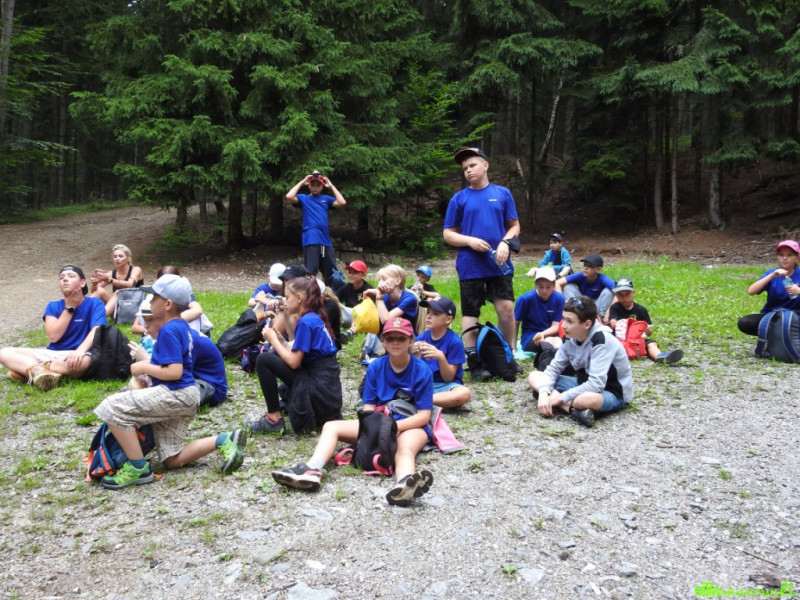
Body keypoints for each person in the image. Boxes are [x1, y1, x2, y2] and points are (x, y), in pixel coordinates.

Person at [93, 274, 246, 490]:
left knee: (110, 407)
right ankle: (223, 440)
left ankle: (138, 468)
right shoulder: (181, 326)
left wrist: (143, 367)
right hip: (187, 397)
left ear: (167, 304)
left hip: (175, 393)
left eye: (154, 297)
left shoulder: (168, 330)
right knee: (172, 459)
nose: (150, 301)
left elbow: (174, 372)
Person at [271, 317, 434, 507]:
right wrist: (374, 429)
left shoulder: (422, 370)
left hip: (411, 424)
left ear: (411, 341)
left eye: (401, 338)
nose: (395, 342)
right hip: (382, 421)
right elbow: (368, 408)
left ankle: (405, 483)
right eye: (390, 338)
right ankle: (312, 468)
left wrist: (394, 427)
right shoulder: (376, 367)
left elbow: (424, 416)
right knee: (331, 427)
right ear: (383, 340)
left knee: (404, 450)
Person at [443, 147, 521, 356]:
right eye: (464, 168)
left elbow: (514, 225)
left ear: (485, 165)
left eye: (472, 165)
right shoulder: (459, 198)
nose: (468, 170)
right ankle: (472, 356)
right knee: (471, 312)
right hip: (470, 264)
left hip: (499, 262)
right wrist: (469, 241)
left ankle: (507, 354)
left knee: (506, 309)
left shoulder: (502, 194)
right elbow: (448, 234)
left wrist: (505, 242)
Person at [248, 275, 342, 435]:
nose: (284, 301)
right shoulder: (313, 318)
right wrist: (280, 340)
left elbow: (293, 362)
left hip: (318, 391)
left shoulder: (306, 322)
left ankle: (273, 420)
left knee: (264, 359)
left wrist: (273, 340)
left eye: (287, 297)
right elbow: (298, 350)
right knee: (273, 357)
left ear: (299, 298)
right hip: (327, 394)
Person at [528, 296, 633, 428]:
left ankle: (560, 401)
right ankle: (573, 411)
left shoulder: (601, 340)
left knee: (581, 400)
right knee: (535, 376)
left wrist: (560, 397)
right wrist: (544, 394)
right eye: (563, 319)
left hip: (612, 392)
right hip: (583, 382)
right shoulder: (569, 337)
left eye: (570, 321)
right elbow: (554, 369)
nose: (563, 325)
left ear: (587, 324)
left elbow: (596, 384)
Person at [1, 265, 107, 390]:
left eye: (71, 276)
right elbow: (54, 337)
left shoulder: (94, 303)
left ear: (82, 282)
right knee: (4, 353)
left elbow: (97, 330)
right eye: (61, 278)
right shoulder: (53, 306)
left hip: (81, 354)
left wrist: (80, 351)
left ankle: (29, 370)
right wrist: (69, 308)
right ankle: (42, 372)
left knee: (83, 364)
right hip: (53, 354)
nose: (65, 279)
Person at [607, 277, 684, 364]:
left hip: (637, 340)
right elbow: (613, 323)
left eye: (627, 294)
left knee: (651, 343)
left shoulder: (641, 309)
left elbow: (649, 331)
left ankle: (660, 356)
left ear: (633, 292)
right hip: (620, 339)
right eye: (620, 294)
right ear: (616, 295)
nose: (624, 297)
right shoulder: (615, 307)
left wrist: (647, 331)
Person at [286, 170, 346, 279]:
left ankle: (328, 289)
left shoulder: (326, 199)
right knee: (311, 271)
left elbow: (342, 202)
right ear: (309, 186)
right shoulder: (304, 198)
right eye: (313, 185)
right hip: (311, 238)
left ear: (322, 187)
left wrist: (331, 186)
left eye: (318, 185)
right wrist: (302, 182)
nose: (315, 187)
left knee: (330, 272)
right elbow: (289, 197)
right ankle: (311, 289)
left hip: (325, 240)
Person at [414, 297, 471, 409]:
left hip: (445, 386)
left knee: (464, 394)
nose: (429, 316)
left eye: (435, 314)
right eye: (428, 312)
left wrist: (441, 357)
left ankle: (418, 400)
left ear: (448, 319)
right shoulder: (421, 339)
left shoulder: (454, 342)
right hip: (424, 383)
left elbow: (448, 378)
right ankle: (424, 401)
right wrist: (414, 354)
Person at [737, 239, 800, 336]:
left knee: (790, 324)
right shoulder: (771, 273)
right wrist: (772, 276)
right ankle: (779, 335)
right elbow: (751, 291)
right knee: (744, 322)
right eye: (781, 255)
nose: (784, 258)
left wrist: (798, 291)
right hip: (773, 316)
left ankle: (784, 334)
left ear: (797, 257)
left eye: (789, 255)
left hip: (796, 317)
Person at [131, 266, 209, 335]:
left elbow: (198, 310)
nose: (150, 301)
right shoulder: (148, 301)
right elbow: (135, 327)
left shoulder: (185, 299)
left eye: (154, 298)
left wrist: (168, 322)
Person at [514, 267, 565, 354]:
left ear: (554, 285)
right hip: (531, 336)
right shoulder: (525, 299)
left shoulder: (559, 299)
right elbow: (515, 323)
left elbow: (556, 326)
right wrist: (513, 347)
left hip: (552, 335)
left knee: (558, 342)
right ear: (535, 285)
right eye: (541, 287)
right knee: (551, 343)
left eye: (548, 287)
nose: (544, 291)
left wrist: (542, 334)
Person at [555, 254, 615, 322]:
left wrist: (608, 312)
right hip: (581, 305)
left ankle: (601, 319)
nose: (585, 268)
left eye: (590, 266)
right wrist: (563, 300)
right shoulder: (580, 275)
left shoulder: (603, 278)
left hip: (597, 306)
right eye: (585, 265)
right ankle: (573, 313)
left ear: (598, 269)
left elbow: (618, 292)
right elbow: (557, 283)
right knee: (568, 287)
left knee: (609, 291)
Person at [90, 244, 145, 316]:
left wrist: (111, 280)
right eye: (115, 257)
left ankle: (99, 317)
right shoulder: (111, 274)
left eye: (120, 256)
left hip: (134, 305)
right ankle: (84, 314)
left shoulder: (136, 270)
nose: (117, 259)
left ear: (128, 258)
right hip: (118, 307)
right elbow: (94, 291)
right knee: (99, 290)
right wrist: (94, 284)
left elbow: (130, 284)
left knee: (118, 292)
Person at [363, 264, 419, 333]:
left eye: (384, 279)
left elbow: (385, 320)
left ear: (398, 281)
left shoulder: (409, 298)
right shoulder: (385, 298)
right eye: (379, 280)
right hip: (390, 334)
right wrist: (368, 301)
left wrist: (378, 295)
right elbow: (375, 321)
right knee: (371, 335)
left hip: (407, 336)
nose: (380, 283)